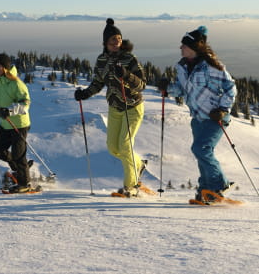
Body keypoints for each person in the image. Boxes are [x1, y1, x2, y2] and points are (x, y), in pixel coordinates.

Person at [159, 26, 236, 203]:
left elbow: (230, 87)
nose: (181, 48)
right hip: (198, 118)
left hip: (215, 117)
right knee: (201, 154)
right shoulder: (183, 67)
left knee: (201, 149)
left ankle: (218, 185)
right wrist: (167, 87)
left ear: (193, 48)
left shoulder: (211, 67)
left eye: (184, 46)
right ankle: (205, 191)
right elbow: (181, 89)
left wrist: (223, 109)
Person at [75, 18, 147, 197]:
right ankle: (139, 164)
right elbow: (98, 82)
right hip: (115, 107)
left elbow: (142, 85)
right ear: (105, 43)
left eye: (119, 39)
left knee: (124, 145)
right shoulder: (101, 60)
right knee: (113, 148)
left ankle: (131, 186)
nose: (117, 43)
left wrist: (127, 75)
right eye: (113, 40)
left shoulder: (129, 59)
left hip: (132, 106)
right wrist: (85, 93)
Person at [0, 53, 32, 193]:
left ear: (5, 68)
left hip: (19, 124)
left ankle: (24, 184)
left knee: (18, 154)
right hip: (5, 124)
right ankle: (20, 168)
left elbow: (26, 103)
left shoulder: (16, 83)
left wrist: (10, 111)